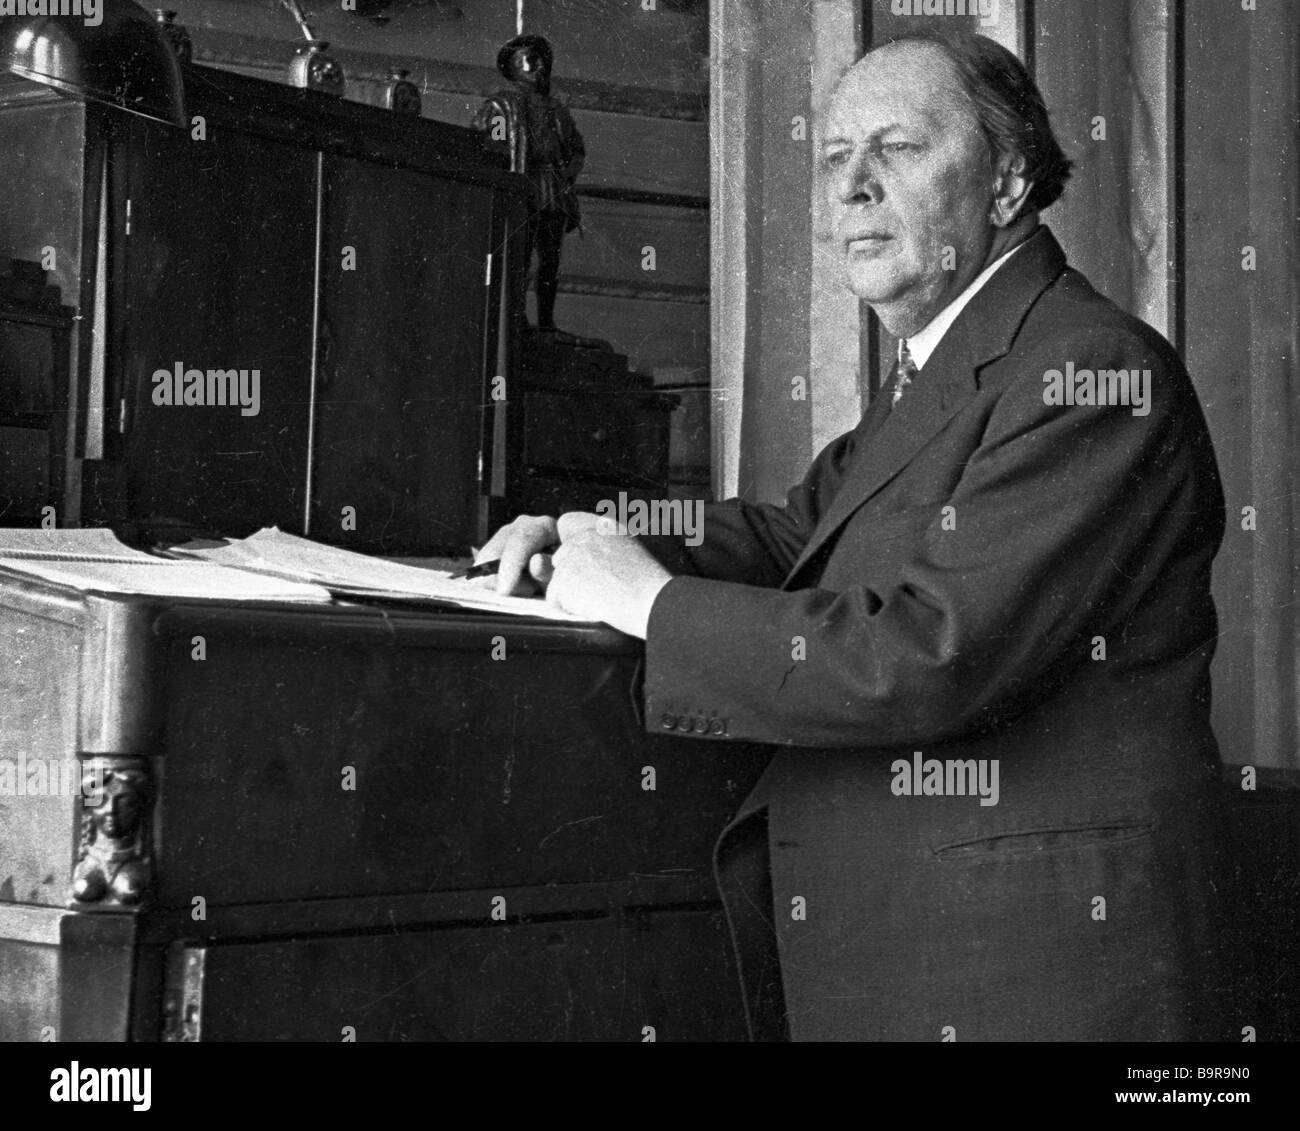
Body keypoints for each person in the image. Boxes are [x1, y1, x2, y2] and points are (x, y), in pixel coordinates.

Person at [477, 28, 1230, 1041]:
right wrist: (588, 531)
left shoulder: (1088, 370)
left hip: (1034, 973)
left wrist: (648, 602)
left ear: (1008, 181)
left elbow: (929, 653)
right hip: (934, 952)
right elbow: (794, 535)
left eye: (898, 148)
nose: (851, 186)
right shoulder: (950, 369)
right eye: (835, 157)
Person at [474, 34, 595, 347]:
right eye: (532, 59)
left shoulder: (556, 109)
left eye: (542, 60)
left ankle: (546, 322)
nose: (540, 65)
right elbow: (489, 148)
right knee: (520, 256)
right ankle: (516, 317)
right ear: (514, 65)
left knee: (550, 261)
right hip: (521, 186)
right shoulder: (502, 105)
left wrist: (567, 174)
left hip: (551, 188)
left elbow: (576, 149)